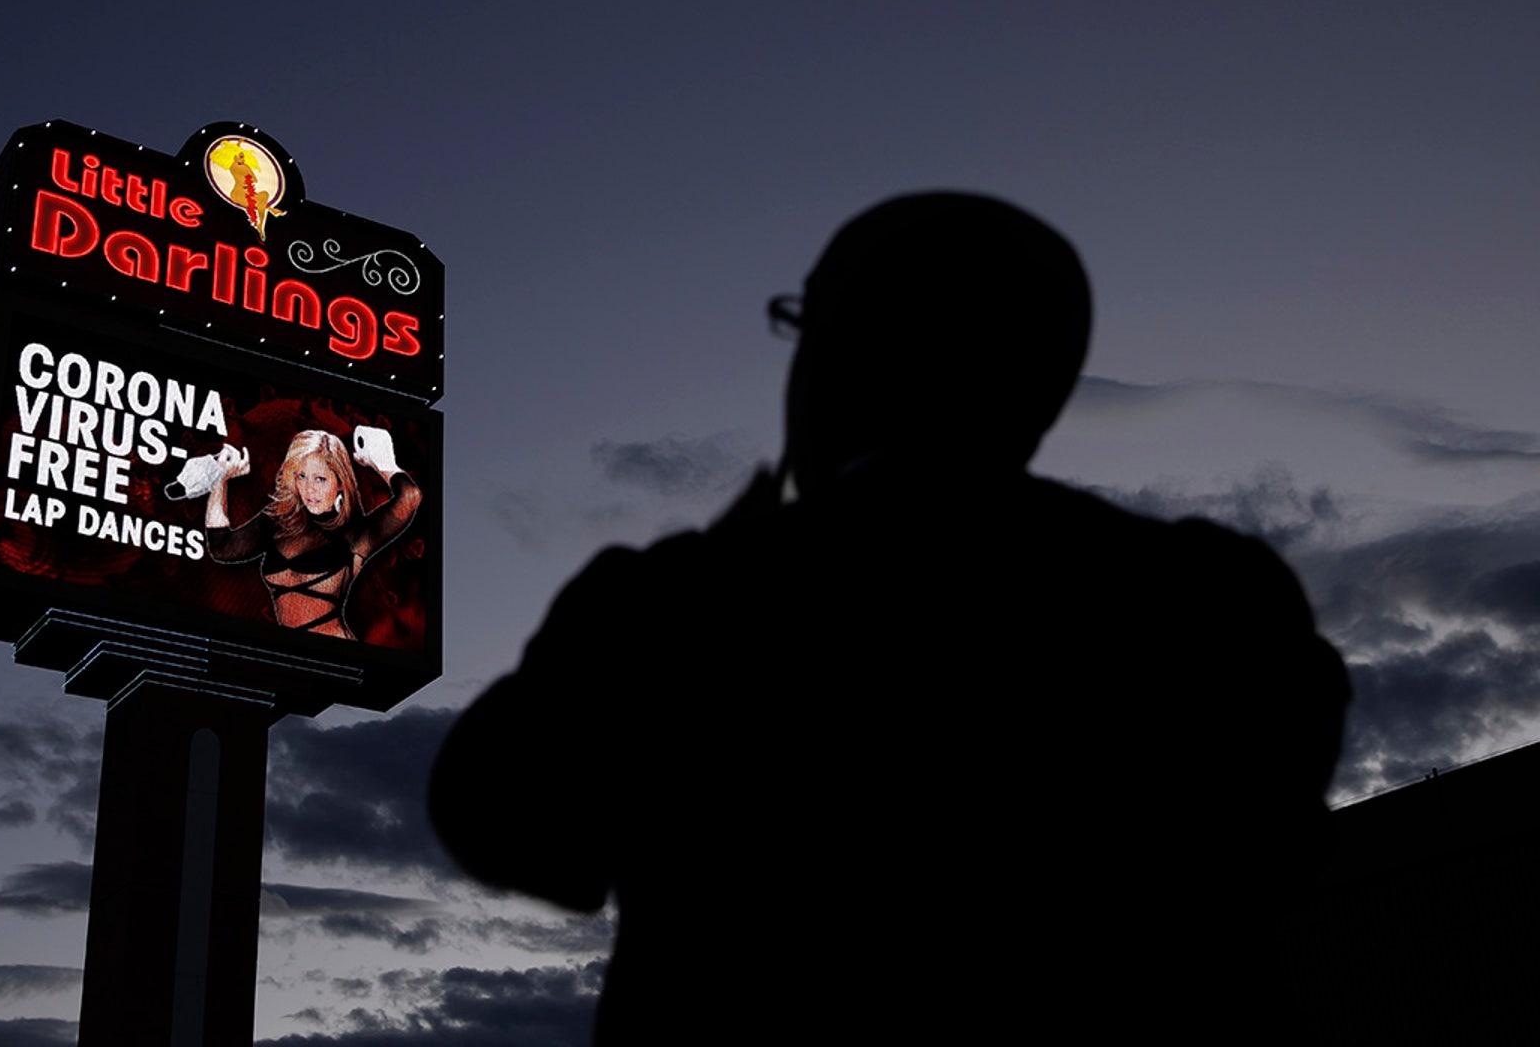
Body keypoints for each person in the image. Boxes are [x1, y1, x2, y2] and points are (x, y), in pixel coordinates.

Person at [429, 192, 1350, 1040]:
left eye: (803, 327)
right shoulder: (1210, 595)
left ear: (833, 353)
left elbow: (496, 815)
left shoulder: (674, 602)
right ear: (1038, 385)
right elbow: (1281, 861)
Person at [202, 426, 419, 640]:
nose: (309, 489)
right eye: (301, 476)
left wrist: (382, 463)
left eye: (320, 479)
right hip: (293, 657)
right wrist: (220, 479)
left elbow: (410, 497)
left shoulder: (354, 533)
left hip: (337, 655)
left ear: (341, 482)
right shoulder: (278, 520)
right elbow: (222, 547)